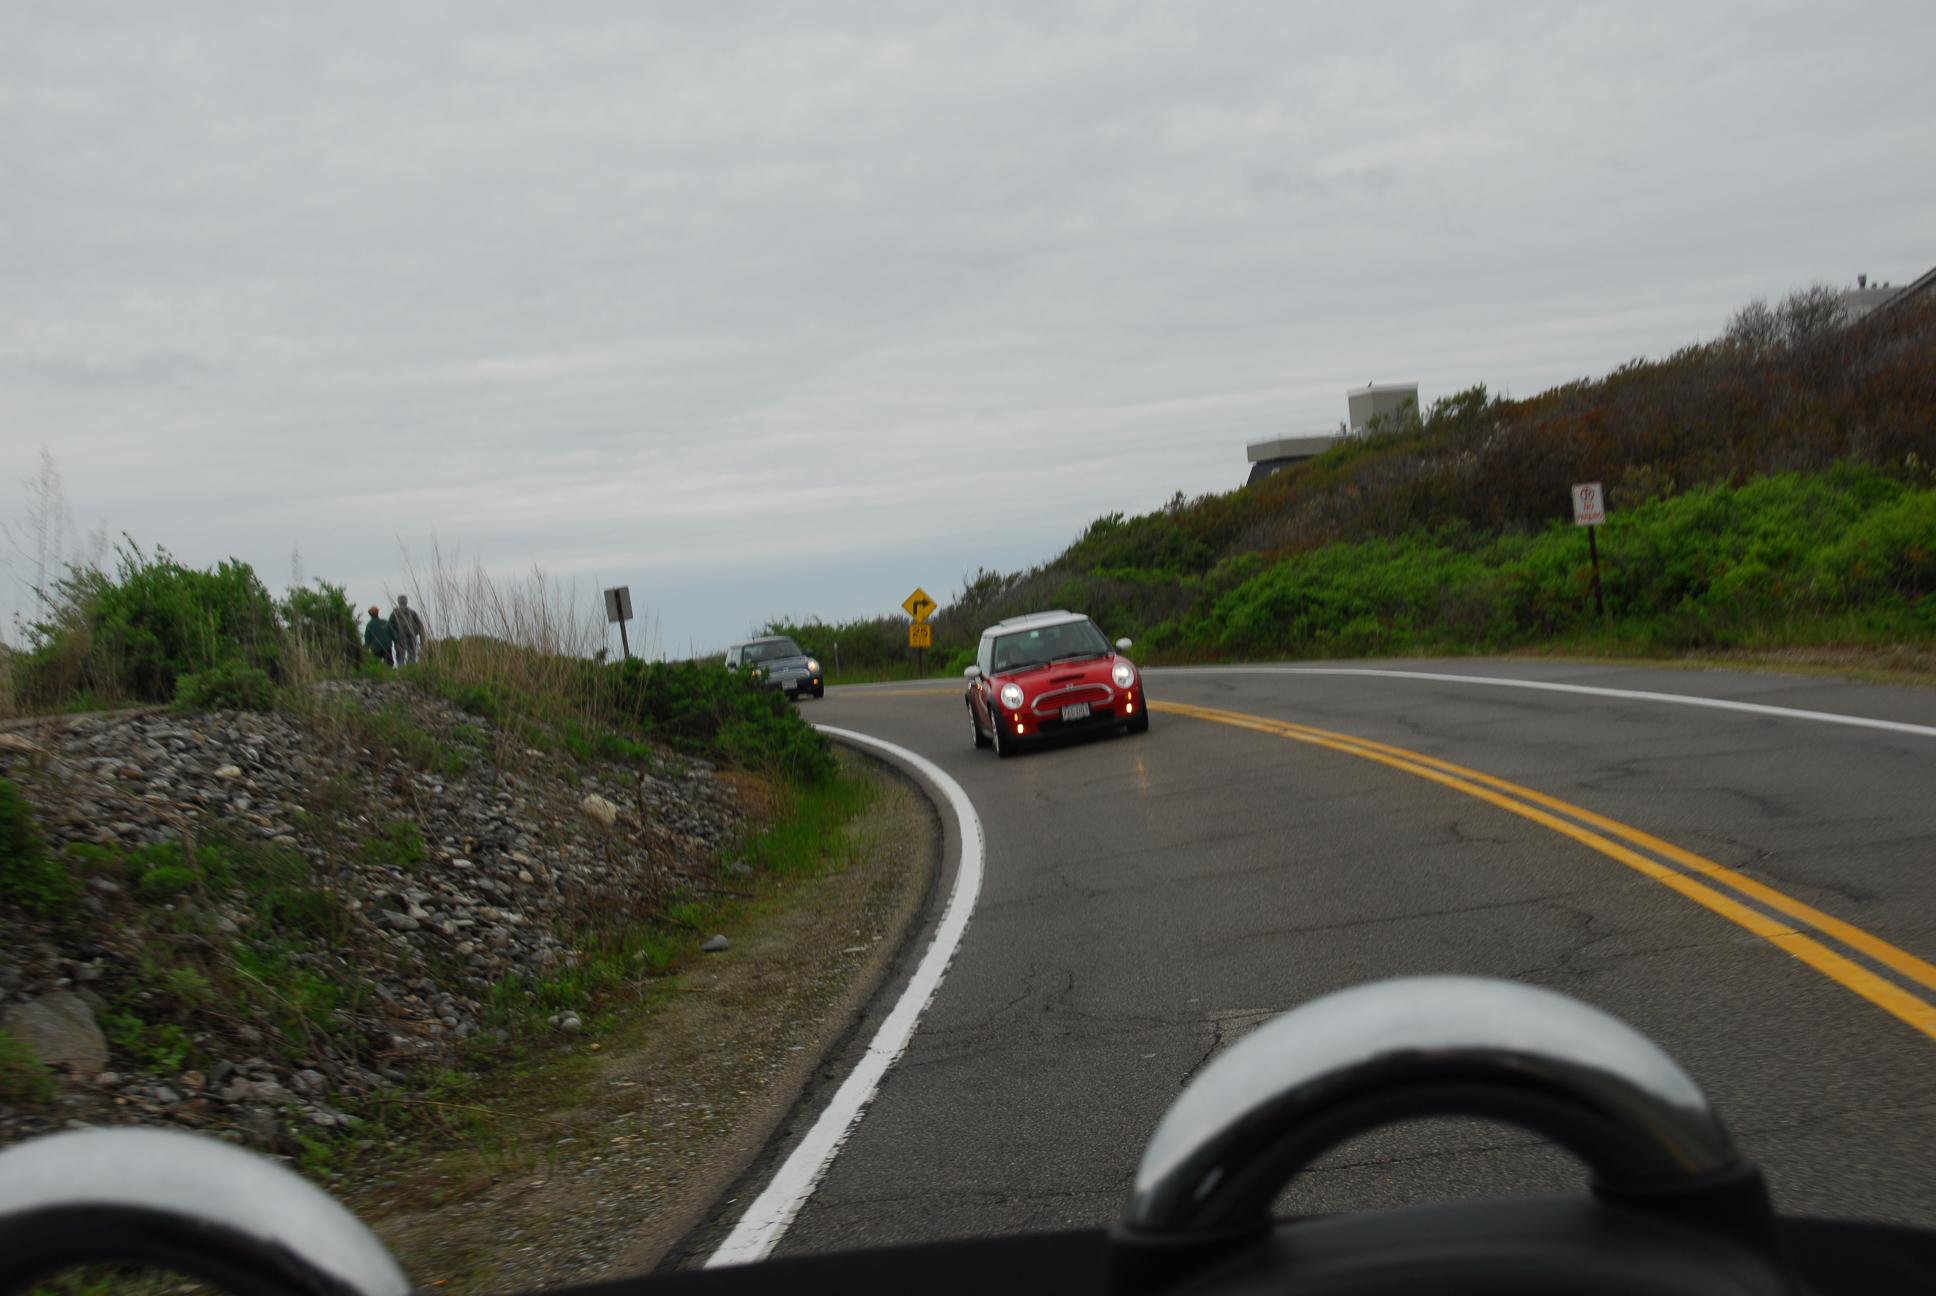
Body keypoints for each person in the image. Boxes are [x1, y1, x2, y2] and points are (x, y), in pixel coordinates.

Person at [390, 595, 426, 665]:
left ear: (398, 602)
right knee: (412, 655)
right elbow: (420, 625)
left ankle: (402, 670)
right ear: (407, 601)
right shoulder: (412, 612)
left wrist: (394, 637)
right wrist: (422, 639)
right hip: (411, 636)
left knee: (400, 657)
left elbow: (390, 627)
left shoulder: (394, 613)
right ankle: (411, 669)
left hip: (400, 638)